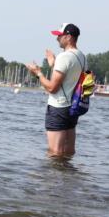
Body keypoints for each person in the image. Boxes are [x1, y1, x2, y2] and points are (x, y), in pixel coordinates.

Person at [25, 23, 86, 158]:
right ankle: (68, 171)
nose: (57, 38)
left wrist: (38, 73)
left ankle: (54, 172)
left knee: (55, 152)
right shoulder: (81, 56)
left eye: (60, 36)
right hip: (73, 108)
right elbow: (68, 80)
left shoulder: (64, 57)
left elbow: (52, 88)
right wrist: (53, 64)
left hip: (58, 107)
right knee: (68, 152)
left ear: (68, 37)